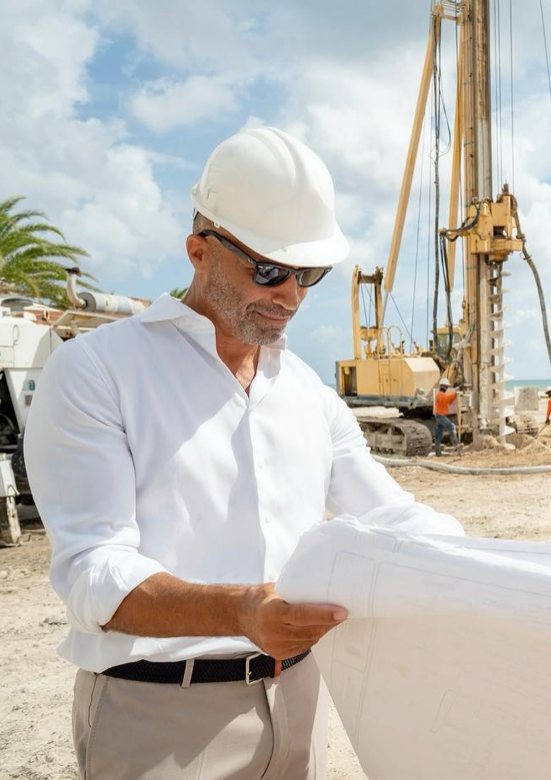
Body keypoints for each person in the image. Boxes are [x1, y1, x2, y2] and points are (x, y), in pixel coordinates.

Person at [24, 126, 460, 780]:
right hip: (161, 716)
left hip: (300, 704)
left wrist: (510, 573)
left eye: (308, 274)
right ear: (199, 251)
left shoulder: (304, 388)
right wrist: (238, 611)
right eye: (268, 270)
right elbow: (93, 568)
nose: (289, 295)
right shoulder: (98, 371)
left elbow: (392, 517)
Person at [433, 377, 459, 457]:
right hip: (440, 416)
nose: (447, 388)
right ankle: (456, 445)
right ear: (445, 387)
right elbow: (447, 399)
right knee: (451, 427)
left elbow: (449, 400)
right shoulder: (440, 395)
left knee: (438, 435)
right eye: (446, 386)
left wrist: (455, 394)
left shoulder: (441, 395)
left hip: (439, 415)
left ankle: (438, 453)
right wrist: (455, 393)